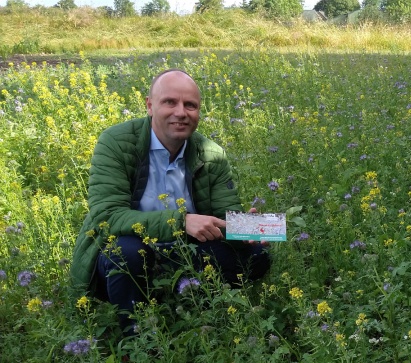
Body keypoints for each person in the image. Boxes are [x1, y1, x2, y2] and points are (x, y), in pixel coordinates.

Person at [71, 69, 270, 333]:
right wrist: (181, 221)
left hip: (185, 252)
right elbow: (108, 216)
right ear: (150, 105)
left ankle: (192, 307)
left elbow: (224, 214)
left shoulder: (211, 153)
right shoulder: (115, 143)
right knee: (127, 252)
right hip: (128, 252)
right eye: (170, 102)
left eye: (191, 105)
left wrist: (245, 229)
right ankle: (137, 335)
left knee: (258, 256)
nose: (181, 112)